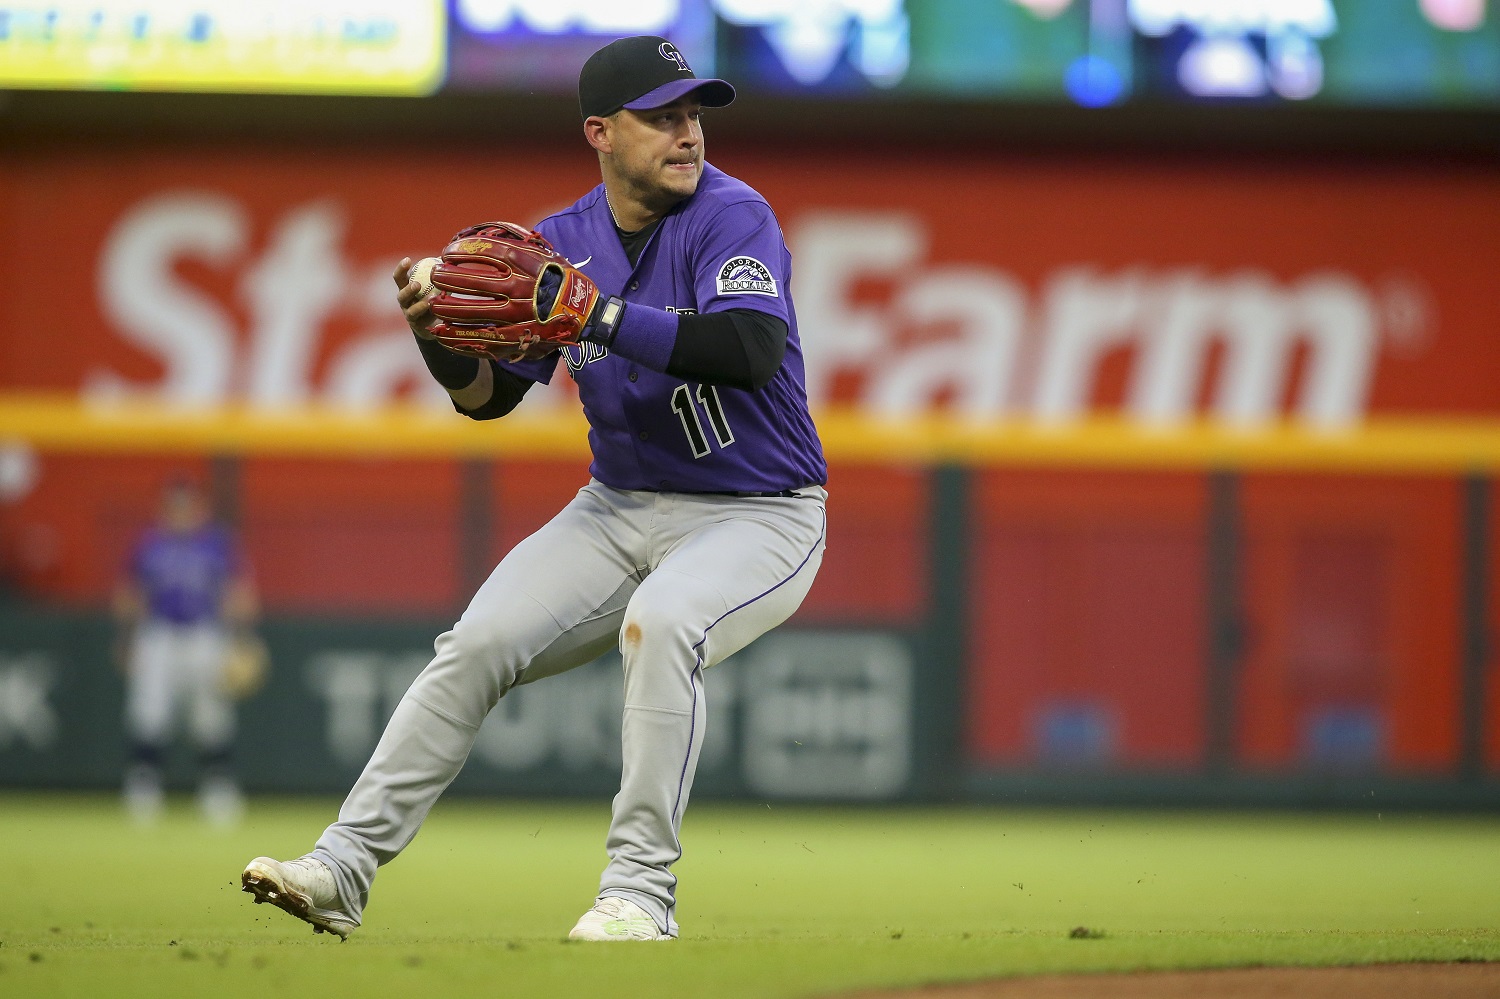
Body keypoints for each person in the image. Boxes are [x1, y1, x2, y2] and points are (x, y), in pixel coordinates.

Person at [241, 34, 828, 942]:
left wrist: (594, 312)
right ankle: (342, 867)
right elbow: (491, 401)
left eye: (694, 112)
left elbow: (748, 351)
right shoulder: (558, 242)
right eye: (661, 116)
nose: (688, 133)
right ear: (600, 131)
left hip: (760, 512)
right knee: (475, 642)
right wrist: (438, 336)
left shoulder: (732, 214)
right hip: (619, 506)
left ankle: (640, 893)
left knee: (666, 619)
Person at [115, 476, 258, 826]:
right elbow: (133, 593)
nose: (179, 513)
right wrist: (127, 637)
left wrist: (241, 638)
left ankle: (218, 790)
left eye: (185, 506)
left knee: (210, 716)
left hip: (204, 635)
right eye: (172, 506)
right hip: (159, 634)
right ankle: (143, 789)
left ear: (198, 509)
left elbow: (236, 591)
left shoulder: (215, 544)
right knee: (150, 712)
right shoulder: (150, 544)